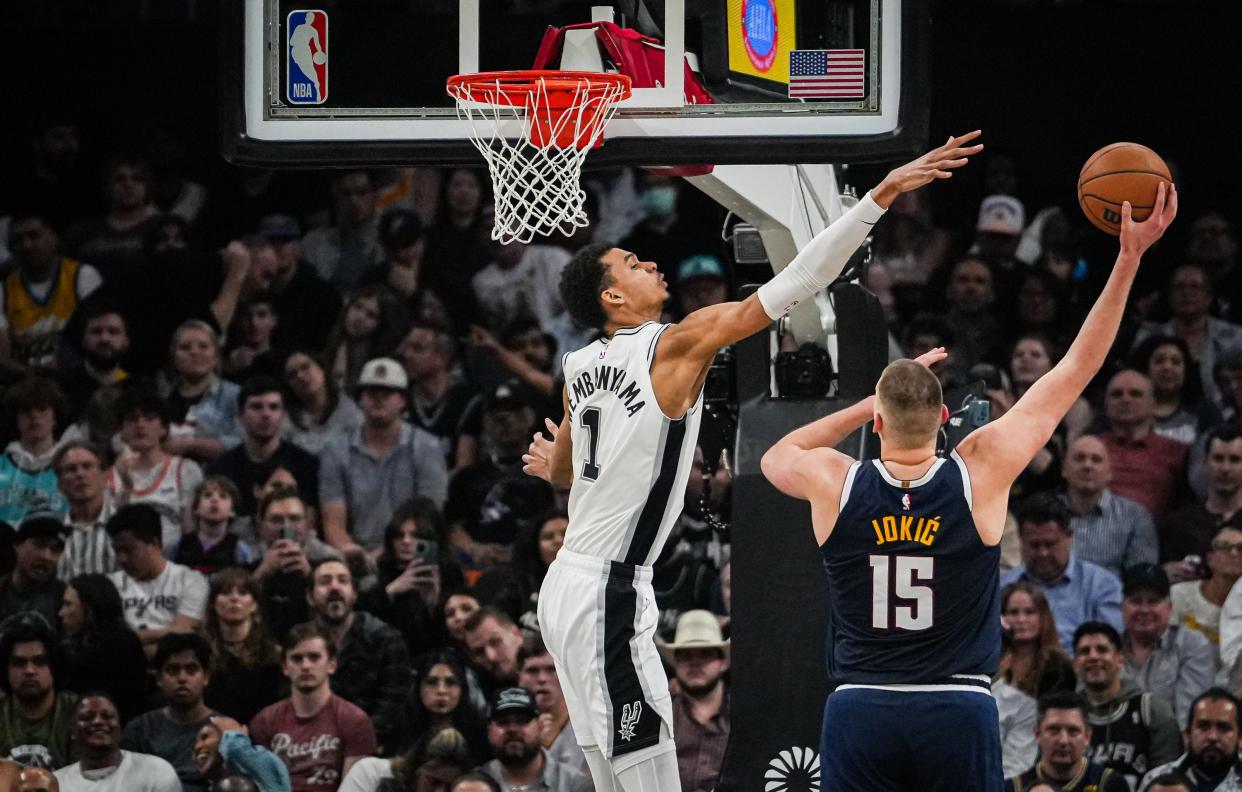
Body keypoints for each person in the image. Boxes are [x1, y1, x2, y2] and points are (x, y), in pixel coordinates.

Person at [521, 133, 982, 792]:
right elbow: (799, 279)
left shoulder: (576, 365)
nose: (649, 262)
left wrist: (550, 468)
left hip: (565, 586)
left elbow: (566, 470)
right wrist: (881, 194)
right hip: (610, 590)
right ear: (612, 300)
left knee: (611, 778)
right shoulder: (673, 344)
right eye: (630, 262)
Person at [758, 177, 1176, 792]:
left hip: (861, 703)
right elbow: (1076, 366)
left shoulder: (836, 481)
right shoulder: (980, 466)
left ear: (877, 420)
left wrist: (862, 407)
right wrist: (1129, 257)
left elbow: (778, 454)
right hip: (956, 704)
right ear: (945, 419)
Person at [318, 357, 448, 560]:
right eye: (371, 392)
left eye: (387, 392)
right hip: (356, 557)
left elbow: (429, 518)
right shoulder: (335, 451)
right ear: (360, 399)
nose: (378, 398)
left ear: (402, 400)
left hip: (412, 552)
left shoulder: (427, 447)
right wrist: (357, 556)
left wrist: (390, 554)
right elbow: (333, 524)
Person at [249, 622, 377, 792]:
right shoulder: (265, 721)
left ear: (332, 665)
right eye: (297, 658)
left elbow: (354, 788)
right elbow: (263, 785)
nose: (305, 666)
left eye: (314, 657)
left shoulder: (355, 720)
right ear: (285, 667)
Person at [306, 559, 410, 753]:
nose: (334, 587)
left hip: (371, 748)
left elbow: (392, 705)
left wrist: (354, 745)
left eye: (343, 580)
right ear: (310, 597)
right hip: (310, 746)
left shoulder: (386, 639)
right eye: (325, 581)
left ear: (354, 595)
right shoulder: (300, 643)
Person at [1001, 494, 1124, 650]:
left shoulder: (1103, 586)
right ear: (1021, 540)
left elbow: (1109, 647)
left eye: (1050, 544)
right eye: (1035, 545)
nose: (1043, 553)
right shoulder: (1002, 586)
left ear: (1069, 537)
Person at [1073, 621, 1182, 786]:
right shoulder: (1065, 715)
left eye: (1102, 650)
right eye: (1084, 651)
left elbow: (1168, 782)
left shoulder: (1152, 711)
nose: (1093, 657)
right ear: (1075, 663)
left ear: (1120, 659)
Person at [358, 498, 461, 659]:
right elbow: (361, 620)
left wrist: (434, 605)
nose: (406, 541)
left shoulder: (450, 575)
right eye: (399, 535)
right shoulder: (380, 573)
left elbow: (456, 635)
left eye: (415, 536)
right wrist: (391, 591)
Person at [0, 209, 101, 370]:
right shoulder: (3, 290)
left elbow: (99, 337)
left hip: (78, 375)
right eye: (18, 240)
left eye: (34, 236)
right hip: (22, 381)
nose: (26, 245)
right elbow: (2, 357)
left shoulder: (82, 276)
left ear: (54, 239)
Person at [206, 377, 319, 518]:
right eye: (256, 407)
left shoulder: (307, 466)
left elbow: (309, 524)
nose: (266, 414)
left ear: (283, 415)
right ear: (240, 415)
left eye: (273, 407)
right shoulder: (220, 470)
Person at [104, 503, 209, 655]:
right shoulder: (110, 585)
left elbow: (185, 636)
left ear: (155, 544)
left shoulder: (191, 581)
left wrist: (130, 642)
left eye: (128, 549)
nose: (122, 558)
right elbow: (108, 641)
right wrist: (166, 634)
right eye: (117, 550)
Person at [107, 387, 203, 547]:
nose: (140, 425)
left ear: (164, 428)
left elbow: (193, 530)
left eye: (149, 418)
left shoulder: (186, 470)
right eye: (132, 419)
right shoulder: (110, 477)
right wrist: (126, 488)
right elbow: (110, 530)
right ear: (121, 431)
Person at [1120, 563, 1215, 724]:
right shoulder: (1107, 647)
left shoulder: (1192, 645)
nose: (1144, 609)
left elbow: (1189, 719)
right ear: (1122, 607)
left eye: (1153, 601)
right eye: (1136, 601)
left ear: (1169, 607)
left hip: (1172, 744)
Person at [122, 633, 217, 792]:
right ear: (159, 678)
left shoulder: (225, 730)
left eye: (191, 670)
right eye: (173, 670)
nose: (182, 678)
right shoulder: (139, 730)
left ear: (206, 677)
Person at [1061, 435, 1159, 578]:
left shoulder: (1135, 516)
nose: (1088, 466)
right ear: (1064, 470)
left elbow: (1141, 579)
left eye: (1096, 460)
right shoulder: (1042, 512)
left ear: (1109, 473)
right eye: (1079, 458)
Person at [1098, 370, 1188, 522]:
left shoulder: (1176, 451)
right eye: (1116, 394)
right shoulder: (1090, 448)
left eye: (1135, 394)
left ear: (1153, 404)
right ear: (1106, 403)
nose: (1125, 399)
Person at [655, 610, 730, 792]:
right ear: (675, 663)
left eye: (705, 654)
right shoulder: (658, 715)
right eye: (686, 656)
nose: (695, 663)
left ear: (723, 663)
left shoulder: (746, 714)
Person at [55, 574, 146, 722]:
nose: (61, 613)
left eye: (68, 604)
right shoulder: (72, 649)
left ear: (89, 608)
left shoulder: (121, 646)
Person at [201, 567, 284, 724]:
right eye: (225, 593)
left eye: (243, 593)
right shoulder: (200, 653)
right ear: (213, 603)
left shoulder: (273, 655)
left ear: (254, 605)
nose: (234, 598)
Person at [52, 693, 181, 791]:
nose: (98, 722)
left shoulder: (156, 771)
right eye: (87, 717)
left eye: (107, 716)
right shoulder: (55, 783)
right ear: (72, 731)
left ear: (119, 727)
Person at [1004, 691, 1129, 792]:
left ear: (1087, 736)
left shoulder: (1110, 785)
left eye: (1073, 731)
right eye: (1054, 730)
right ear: (1037, 733)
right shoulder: (1012, 788)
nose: (1063, 741)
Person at [477, 688, 592, 792]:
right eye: (503, 722)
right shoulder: (473, 784)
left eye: (522, 721)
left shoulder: (576, 785)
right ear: (489, 731)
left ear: (540, 727)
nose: (512, 729)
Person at [1164, 426, 1242, 576]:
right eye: (1218, 458)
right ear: (1205, 462)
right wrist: (1164, 573)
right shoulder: (1178, 524)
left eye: (1235, 460)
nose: (1225, 468)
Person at [0, 620, 77, 769]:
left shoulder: (77, 712)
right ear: (6, 670)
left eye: (40, 661)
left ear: (54, 667)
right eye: (19, 663)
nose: (29, 670)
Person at [395, 651, 489, 767]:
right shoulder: (401, 730)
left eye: (451, 682)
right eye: (431, 682)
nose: (441, 690)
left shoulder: (480, 736)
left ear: (463, 689)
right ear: (418, 687)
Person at [1139, 688, 1242, 791]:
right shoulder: (1156, 780)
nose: (1212, 736)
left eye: (1223, 728)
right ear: (1188, 734)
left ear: (1240, 737)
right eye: (1203, 726)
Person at [0, 377, 71, 525]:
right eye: (26, 410)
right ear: (16, 418)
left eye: (42, 409)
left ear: (55, 417)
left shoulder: (72, 467)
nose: (34, 416)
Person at [516, 635, 586, 775]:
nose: (542, 679)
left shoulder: (588, 721)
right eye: (532, 671)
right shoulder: (510, 728)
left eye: (551, 669)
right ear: (519, 677)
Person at [999, 582, 1076, 699]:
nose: (1021, 619)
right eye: (1013, 612)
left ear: (1043, 617)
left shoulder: (1060, 666)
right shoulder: (989, 661)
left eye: (1030, 612)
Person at [281, 351, 363, 457]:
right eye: (292, 375)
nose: (300, 376)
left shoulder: (350, 412)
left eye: (305, 367)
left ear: (322, 369)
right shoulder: (284, 420)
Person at [52, 443, 115, 580]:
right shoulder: (52, 532)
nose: (80, 474)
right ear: (60, 485)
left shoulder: (124, 528)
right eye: (71, 469)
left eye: (87, 466)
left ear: (105, 477)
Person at [1173, 526, 1242, 649]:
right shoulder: (1179, 595)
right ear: (1210, 559)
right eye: (1224, 547)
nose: (1234, 553)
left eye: (1241, 548)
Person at [0, 514, 67, 630]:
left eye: (55, 550)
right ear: (17, 545)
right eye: (39, 544)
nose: (46, 556)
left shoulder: (64, 600)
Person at [192, 716, 291, 792]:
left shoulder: (268, 774)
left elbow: (236, 749)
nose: (198, 746)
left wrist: (233, 734)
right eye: (195, 742)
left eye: (205, 737)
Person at [462, 608, 523, 690]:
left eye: (495, 642)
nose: (491, 657)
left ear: (516, 634)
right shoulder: (477, 686)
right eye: (479, 652)